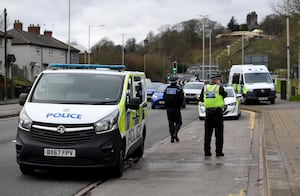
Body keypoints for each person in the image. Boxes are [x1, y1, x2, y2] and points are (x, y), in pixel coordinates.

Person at [199, 75, 227, 156]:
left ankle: (207, 151)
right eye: (220, 80)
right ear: (216, 81)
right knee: (219, 134)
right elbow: (225, 95)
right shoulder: (219, 88)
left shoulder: (205, 88)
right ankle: (218, 151)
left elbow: (201, 99)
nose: (220, 82)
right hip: (217, 113)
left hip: (208, 113)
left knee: (207, 134)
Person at [163, 76, 185, 143]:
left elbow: (164, 97)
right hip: (176, 108)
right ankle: (175, 133)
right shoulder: (178, 89)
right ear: (176, 81)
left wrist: (166, 105)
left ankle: (172, 138)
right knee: (179, 122)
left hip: (169, 108)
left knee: (171, 123)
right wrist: (180, 106)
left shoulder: (167, 89)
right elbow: (182, 98)